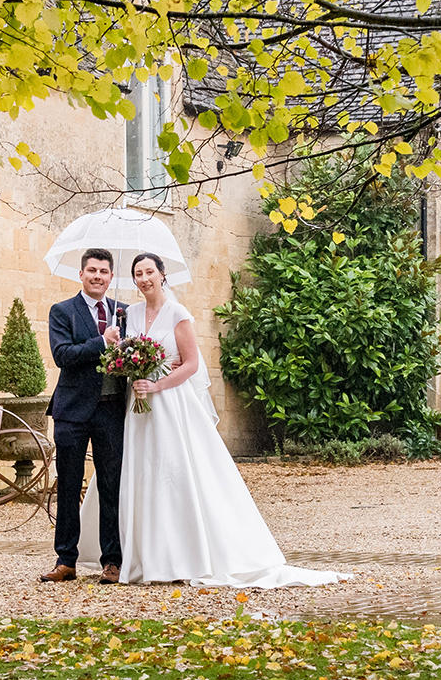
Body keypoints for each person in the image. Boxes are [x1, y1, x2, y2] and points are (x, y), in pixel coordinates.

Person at [78, 252, 350, 588]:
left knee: (173, 474)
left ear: (163, 275)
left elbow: (191, 364)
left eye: (150, 271)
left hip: (169, 405)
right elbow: (118, 359)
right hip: (137, 407)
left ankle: (181, 558)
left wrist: (158, 383)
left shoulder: (178, 314)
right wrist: (124, 363)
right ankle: (143, 559)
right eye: (138, 273)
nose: (144, 278)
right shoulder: (128, 314)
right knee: (140, 475)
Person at [40, 247, 126, 584]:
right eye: (92, 270)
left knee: (111, 487)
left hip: (110, 411)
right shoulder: (62, 311)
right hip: (72, 413)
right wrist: (102, 342)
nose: (97, 277)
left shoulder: (123, 311)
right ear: (81, 274)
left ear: (110, 277)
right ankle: (66, 560)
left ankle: (112, 561)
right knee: (69, 486)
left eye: (104, 272)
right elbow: (63, 355)